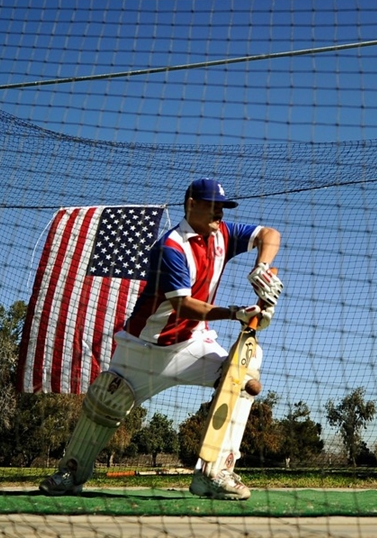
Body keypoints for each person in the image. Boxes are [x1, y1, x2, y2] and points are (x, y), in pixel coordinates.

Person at [39, 178, 283, 500]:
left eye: (223, 207)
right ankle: (70, 472)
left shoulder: (222, 233)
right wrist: (237, 312)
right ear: (192, 204)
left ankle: (213, 473)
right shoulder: (171, 247)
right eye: (213, 206)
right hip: (144, 348)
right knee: (106, 402)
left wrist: (261, 267)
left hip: (193, 345)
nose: (219, 214)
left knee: (244, 369)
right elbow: (184, 306)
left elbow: (270, 234)